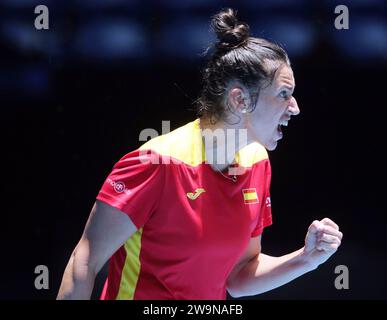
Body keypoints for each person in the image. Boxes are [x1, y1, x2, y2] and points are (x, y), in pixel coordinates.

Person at [57, 8, 342, 300]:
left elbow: (238, 275)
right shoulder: (159, 163)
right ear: (240, 99)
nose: (295, 107)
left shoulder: (256, 162)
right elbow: (85, 261)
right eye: (284, 94)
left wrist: (306, 259)